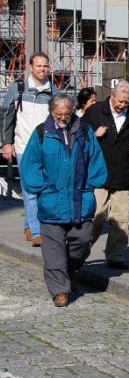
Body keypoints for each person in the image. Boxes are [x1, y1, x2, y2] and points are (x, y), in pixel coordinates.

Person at [20, 94, 107, 307]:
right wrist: (42, 188)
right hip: (52, 202)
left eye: (67, 113)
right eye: (59, 114)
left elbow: (96, 160)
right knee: (53, 251)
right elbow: (30, 165)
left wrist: (91, 184)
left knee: (83, 240)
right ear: (52, 112)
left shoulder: (85, 131)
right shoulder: (42, 133)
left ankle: (69, 271)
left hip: (80, 200)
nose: (63, 117)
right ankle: (60, 290)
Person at [84, 81, 129, 270]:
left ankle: (115, 255)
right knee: (95, 217)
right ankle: (80, 251)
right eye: (120, 101)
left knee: (120, 219)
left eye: (126, 102)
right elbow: (78, 137)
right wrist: (94, 135)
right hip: (98, 174)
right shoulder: (95, 112)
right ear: (112, 96)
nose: (122, 105)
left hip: (122, 174)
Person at [1, 52, 58, 247]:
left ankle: (29, 225)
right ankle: (36, 231)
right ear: (31, 68)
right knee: (30, 189)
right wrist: (6, 143)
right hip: (24, 146)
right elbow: (6, 117)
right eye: (39, 66)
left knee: (43, 189)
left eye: (45, 66)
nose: (42, 70)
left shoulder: (53, 92)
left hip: (47, 149)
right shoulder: (18, 89)